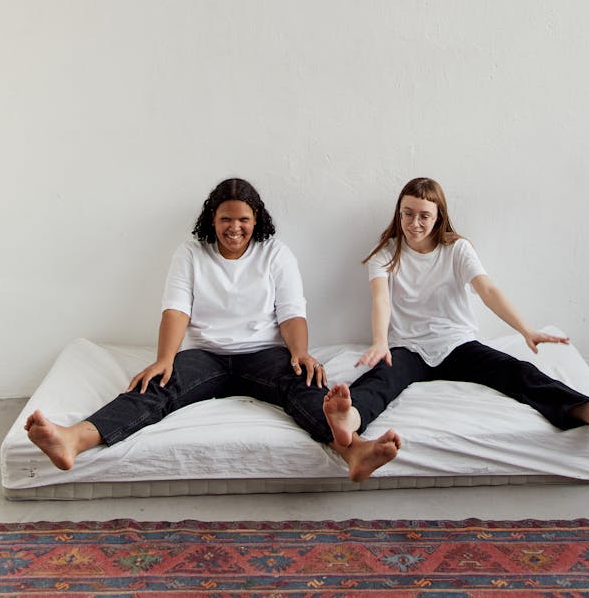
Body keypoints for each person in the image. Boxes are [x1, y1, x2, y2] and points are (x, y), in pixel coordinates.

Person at [25, 177, 400, 483]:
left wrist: (300, 353)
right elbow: (176, 310)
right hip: (207, 356)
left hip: (263, 354)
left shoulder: (275, 253)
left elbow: (291, 313)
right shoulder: (191, 253)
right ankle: (73, 439)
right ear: (212, 219)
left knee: (306, 384)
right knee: (156, 386)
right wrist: (164, 359)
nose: (234, 228)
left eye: (243, 220)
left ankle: (354, 451)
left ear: (256, 220)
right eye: (225, 220)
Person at [322, 176, 589, 452]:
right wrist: (380, 342)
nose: (414, 223)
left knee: (517, 372)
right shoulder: (387, 253)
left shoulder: (457, 249)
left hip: (456, 344)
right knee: (380, 380)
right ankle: (349, 420)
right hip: (409, 347)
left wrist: (525, 330)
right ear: (399, 213)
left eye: (423, 216)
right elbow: (381, 299)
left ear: (439, 217)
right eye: (407, 214)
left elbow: (487, 290)